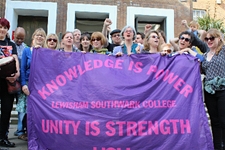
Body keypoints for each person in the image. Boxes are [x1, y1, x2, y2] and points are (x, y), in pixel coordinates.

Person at [18, 28, 46, 141]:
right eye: (37, 35)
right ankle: (23, 131)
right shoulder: (26, 51)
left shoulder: (46, 51)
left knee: (38, 110)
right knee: (25, 109)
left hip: (40, 85)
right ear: (33, 37)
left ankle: (36, 132)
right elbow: (23, 69)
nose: (39, 37)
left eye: (42, 36)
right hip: (28, 83)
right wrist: (23, 84)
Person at [201, 28, 225, 150]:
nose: (209, 41)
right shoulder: (204, 55)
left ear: (219, 38)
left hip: (223, 90)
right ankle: (217, 147)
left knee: (223, 120)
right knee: (214, 122)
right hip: (209, 92)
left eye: (212, 38)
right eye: (207, 38)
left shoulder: (223, 51)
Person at [0, 18, 20, 147]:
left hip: (8, 83)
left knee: (6, 111)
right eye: (0, 27)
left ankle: (3, 137)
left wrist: (17, 73)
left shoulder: (11, 44)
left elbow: (15, 58)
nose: (2, 30)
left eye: (5, 28)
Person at [13, 27, 28, 139]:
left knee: (21, 109)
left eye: (22, 39)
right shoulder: (10, 45)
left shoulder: (25, 48)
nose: (19, 40)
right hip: (8, 81)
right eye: (18, 38)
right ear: (14, 35)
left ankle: (20, 130)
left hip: (20, 83)